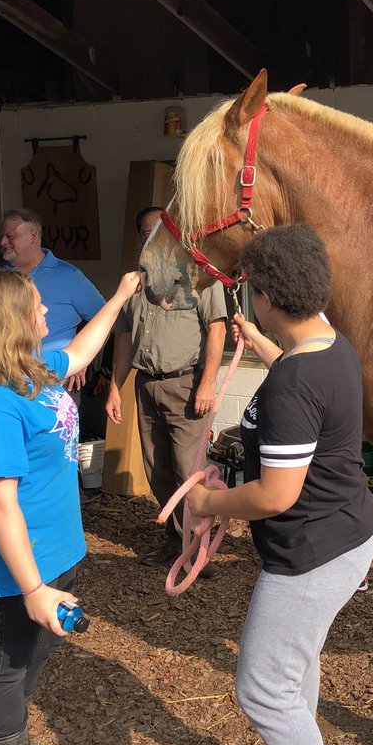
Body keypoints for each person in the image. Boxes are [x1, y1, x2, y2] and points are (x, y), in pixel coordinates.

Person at [0, 268, 141, 745]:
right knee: (7, 665)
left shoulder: (31, 372)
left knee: (37, 650)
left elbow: (83, 351)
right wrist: (33, 589)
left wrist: (121, 295)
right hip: (13, 565)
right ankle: (7, 744)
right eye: (37, 305)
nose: (45, 311)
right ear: (9, 320)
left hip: (55, 546)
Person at [184, 224, 373, 745]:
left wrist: (207, 502)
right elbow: (301, 381)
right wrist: (263, 342)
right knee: (293, 673)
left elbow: (275, 496)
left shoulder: (295, 383)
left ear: (265, 296)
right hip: (347, 533)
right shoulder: (332, 347)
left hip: (311, 553)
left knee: (264, 692)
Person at [106, 206, 228, 570]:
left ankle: (200, 552)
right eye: (147, 232)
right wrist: (115, 388)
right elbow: (125, 339)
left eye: (161, 229)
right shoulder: (135, 283)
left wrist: (207, 384)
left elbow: (217, 330)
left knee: (188, 472)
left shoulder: (198, 275)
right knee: (157, 470)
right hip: (147, 385)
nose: (154, 237)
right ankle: (176, 542)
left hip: (185, 385)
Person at [0, 208, 104, 392]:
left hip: (55, 383)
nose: (3, 242)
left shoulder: (69, 276)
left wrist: (84, 355)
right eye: (3, 236)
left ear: (32, 236)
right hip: (7, 383)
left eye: (9, 236)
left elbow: (104, 318)